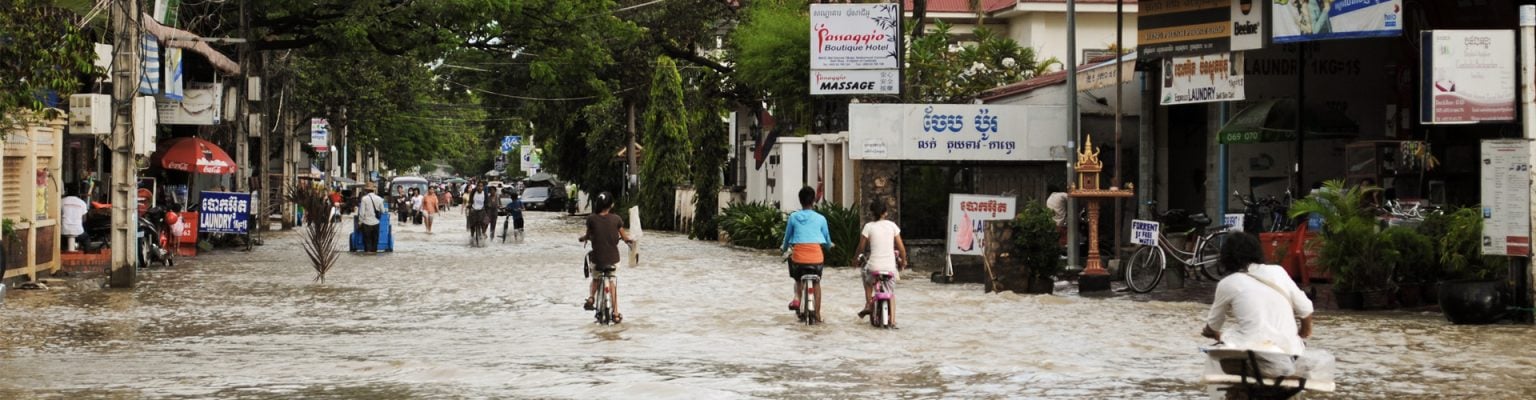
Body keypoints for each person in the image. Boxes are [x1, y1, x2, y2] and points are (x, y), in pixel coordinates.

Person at [1203, 233, 1330, 378]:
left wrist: (1211, 333)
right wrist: (1303, 333)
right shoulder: (1278, 271)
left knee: (1227, 345)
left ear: (1226, 258)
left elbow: (1213, 326)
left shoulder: (1228, 283)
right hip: (1291, 353)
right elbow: (1305, 309)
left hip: (1255, 356)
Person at [579, 192, 634, 322]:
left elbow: (588, 235)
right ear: (610, 205)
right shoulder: (617, 219)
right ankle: (615, 313)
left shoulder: (591, 219)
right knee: (612, 283)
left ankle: (591, 297)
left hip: (597, 260)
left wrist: (583, 238)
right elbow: (625, 238)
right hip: (613, 260)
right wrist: (629, 240)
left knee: (596, 278)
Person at [853, 199, 907, 325]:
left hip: (873, 267)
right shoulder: (892, 226)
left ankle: (868, 303)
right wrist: (903, 262)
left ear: (872, 213)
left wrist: (855, 260)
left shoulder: (868, 227)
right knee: (891, 293)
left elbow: (861, 248)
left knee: (866, 276)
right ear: (885, 212)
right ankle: (892, 321)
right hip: (890, 267)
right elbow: (902, 249)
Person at [781, 186, 831, 319]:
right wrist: (829, 247)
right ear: (814, 200)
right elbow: (827, 241)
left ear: (800, 200)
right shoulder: (821, 219)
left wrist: (784, 248)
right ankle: (818, 314)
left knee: (797, 278)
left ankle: (797, 297)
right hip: (816, 259)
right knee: (817, 283)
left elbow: (787, 238)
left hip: (799, 258)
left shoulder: (793, 217)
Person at [357, 184, 386, 254]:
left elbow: (361, 213)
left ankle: (368, 257)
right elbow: (383, 211)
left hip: (366, 223)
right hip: (376, 223)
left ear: (366, 190)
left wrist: (359, 223)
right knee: (375, 243)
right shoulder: (380, 199)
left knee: (367, 243)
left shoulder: (364, 199)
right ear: (374, 190)